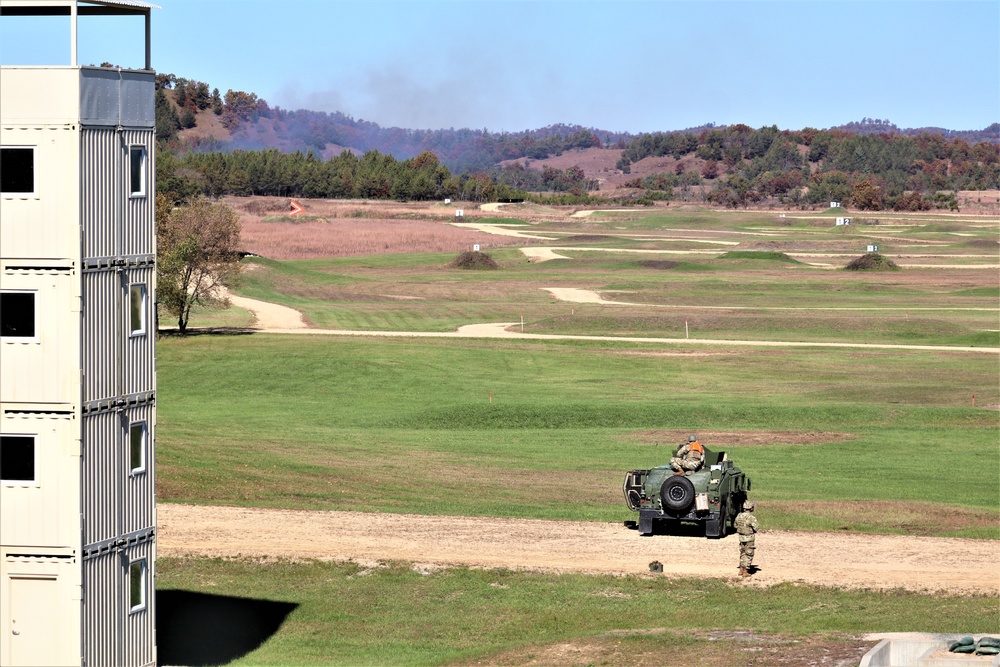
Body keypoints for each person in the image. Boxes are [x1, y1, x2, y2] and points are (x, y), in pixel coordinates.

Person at [734, 499, 759, 578]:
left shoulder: (739, 516)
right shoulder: (751, 517)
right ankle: (745, 571)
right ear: (751, 508)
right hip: (749, 538)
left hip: (741, 538)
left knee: (742, 553)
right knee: (749, 554)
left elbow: (735, 525)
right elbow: (756, 527)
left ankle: (741, 569)